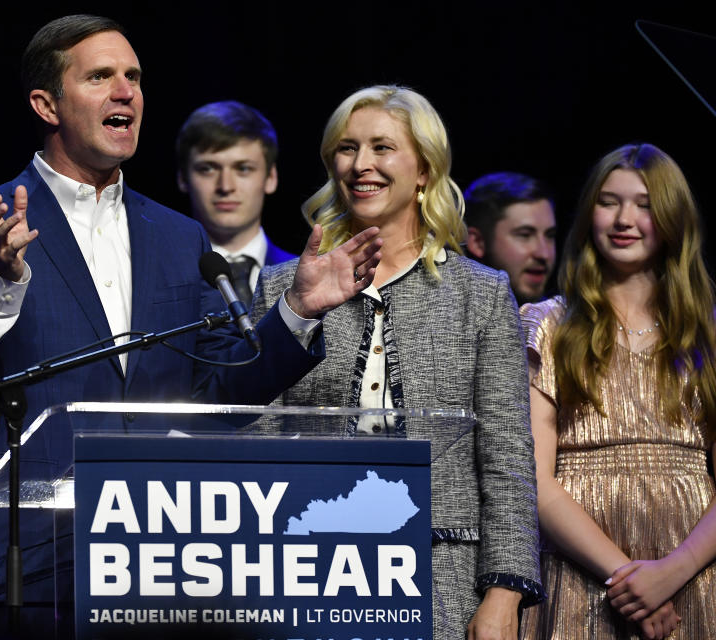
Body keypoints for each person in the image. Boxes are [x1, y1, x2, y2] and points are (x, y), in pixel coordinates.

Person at [0, 15, 380, 635]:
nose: (125, 92)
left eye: (133, 77)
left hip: (158, 556)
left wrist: (296, 311)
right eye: (101, 76)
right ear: (45, 104)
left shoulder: (178, 235)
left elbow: (222, 396)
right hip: (33, 570)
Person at [250, 85, 543, 638]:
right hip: (309, 566)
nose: (361, 164)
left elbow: (507, 456)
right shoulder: (283, 287)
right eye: (347, 147)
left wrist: (504, 592)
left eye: (382, 147)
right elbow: (257, 439)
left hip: (442, 571)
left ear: (425, 169)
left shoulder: (479, 293)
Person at [519, 143, 716, 639]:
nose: (624, 218)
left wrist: (671, 571)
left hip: (691, 567)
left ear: (673, 216)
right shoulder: (547, 325)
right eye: (609, 201)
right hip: (581, 566)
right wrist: (626, 579)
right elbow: (534, 480)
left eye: (645, 204)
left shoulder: (709, 336)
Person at [175, 100, 293, 305]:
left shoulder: (303, 276)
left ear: (271, 177)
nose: (226, 186)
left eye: (243, 169)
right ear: (183, 178)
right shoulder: (163, 279)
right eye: (208, 168)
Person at [463, 172, 556, 305]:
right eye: (525, 235)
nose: (544, 254)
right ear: (477, 242)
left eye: (550, 235)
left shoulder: (565, 321)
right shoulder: (447, 317)